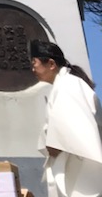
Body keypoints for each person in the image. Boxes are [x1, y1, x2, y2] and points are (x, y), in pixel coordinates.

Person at [31, 39, 102, 197]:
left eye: (34, 62)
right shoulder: (64, 85)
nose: (32, 69)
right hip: (72, 163)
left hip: (81, 167)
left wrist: (56, 142)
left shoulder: (69, 85)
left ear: (51, 64)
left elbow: (79, 128)